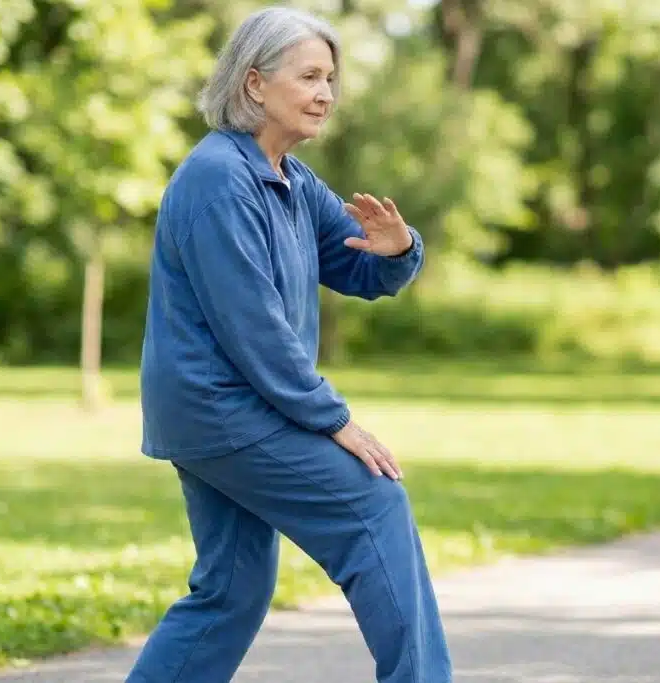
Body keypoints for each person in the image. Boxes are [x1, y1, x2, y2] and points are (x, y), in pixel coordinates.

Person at [127, 6, 452, 683]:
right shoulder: (219, 179)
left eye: (329, 78)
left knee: (232, 589)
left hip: (225, 411)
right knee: (373, 504)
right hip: (223, 409)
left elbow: (361, 268)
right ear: (254, 83)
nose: (325, 93)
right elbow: (254, 330)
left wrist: (400, 250)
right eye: (308, 77)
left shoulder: (290, 181)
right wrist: (334, 419)